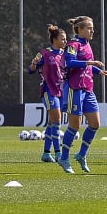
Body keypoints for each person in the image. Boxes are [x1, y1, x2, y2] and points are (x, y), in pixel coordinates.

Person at [56, 16, 107, 174]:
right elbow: (69, 63)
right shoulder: (73, 45)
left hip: (88, 89)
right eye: (89, 28)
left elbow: (87, 67)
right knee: (75, 125)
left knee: (95, 123)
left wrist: (99, 71)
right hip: (75, 89)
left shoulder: (87, 45)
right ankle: (64, 158)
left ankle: (81, 154)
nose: (92, 30)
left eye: (92, 28)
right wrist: (90, 63)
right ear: (79, 29)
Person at [27, 24, 67, 162]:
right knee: (57, 119)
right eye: (62, 39)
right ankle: (58, 153)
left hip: (62, 91)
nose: (65, 42)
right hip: (48, 90)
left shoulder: (65, 54)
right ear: (54, 39)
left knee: (51, 123)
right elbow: (31, 70)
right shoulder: (44, 53)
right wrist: (33, 64)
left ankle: (46, 153)